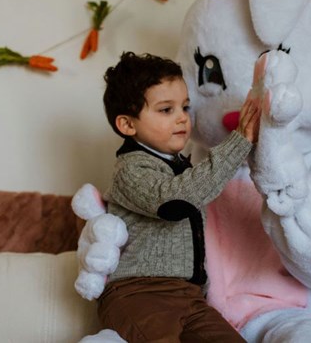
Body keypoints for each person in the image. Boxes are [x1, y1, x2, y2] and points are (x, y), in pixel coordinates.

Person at [98, 51, 260, 342]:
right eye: (165, 110)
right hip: (139, 294)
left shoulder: (181, 167)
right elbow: (174, 202)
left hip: (190, 296)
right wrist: (238, 143)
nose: (182, 118)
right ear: (127, 125)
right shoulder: (131, 169)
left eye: (184, 107)